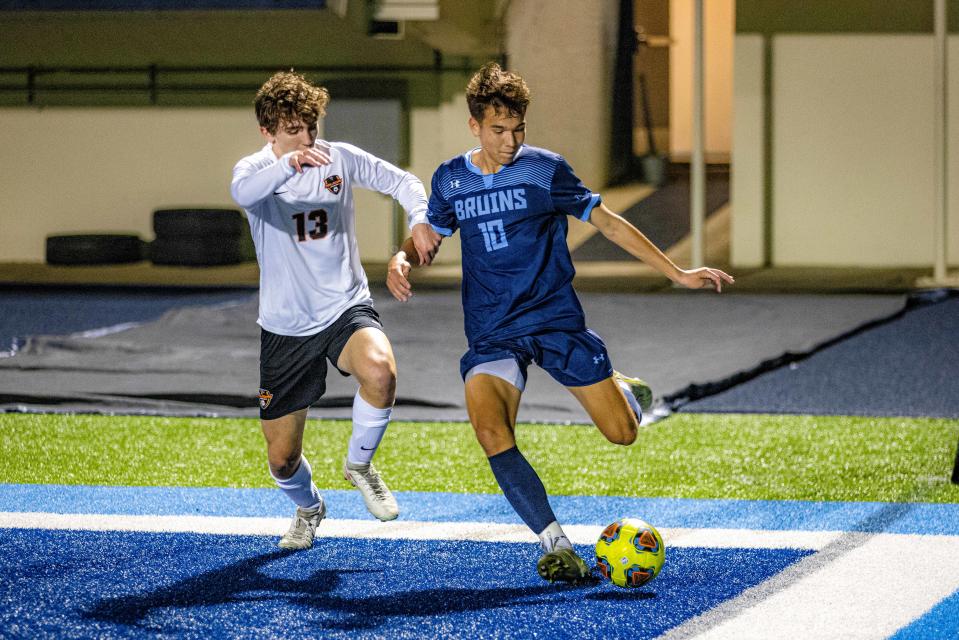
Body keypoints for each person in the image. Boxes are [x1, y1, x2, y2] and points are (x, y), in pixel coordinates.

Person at [386, 62, 734, 582]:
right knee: (489, 429)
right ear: (475, 126)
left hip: (554, 321)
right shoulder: (450, 179)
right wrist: (400, 259)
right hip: (493, 330)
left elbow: (609, 224)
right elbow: (426, 240)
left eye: (518, 129)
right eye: (498, 130)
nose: (509, 141)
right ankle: (557, 544)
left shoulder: (545, 171)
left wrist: (677, 273)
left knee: (622, 435)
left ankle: (622, 389)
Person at [230, 70, 440, 551]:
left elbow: (404, 182)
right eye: (293, 130)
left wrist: (421, 220)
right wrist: (289, 164)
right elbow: (243, 195)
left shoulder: (339, 158)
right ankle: (309, 508)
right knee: (282, 459)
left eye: (311, 127)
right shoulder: (254, 171)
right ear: (267, 132)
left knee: (381, 372)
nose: (307, 139)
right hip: (285, 327)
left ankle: (359, 465)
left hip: (345, 306)